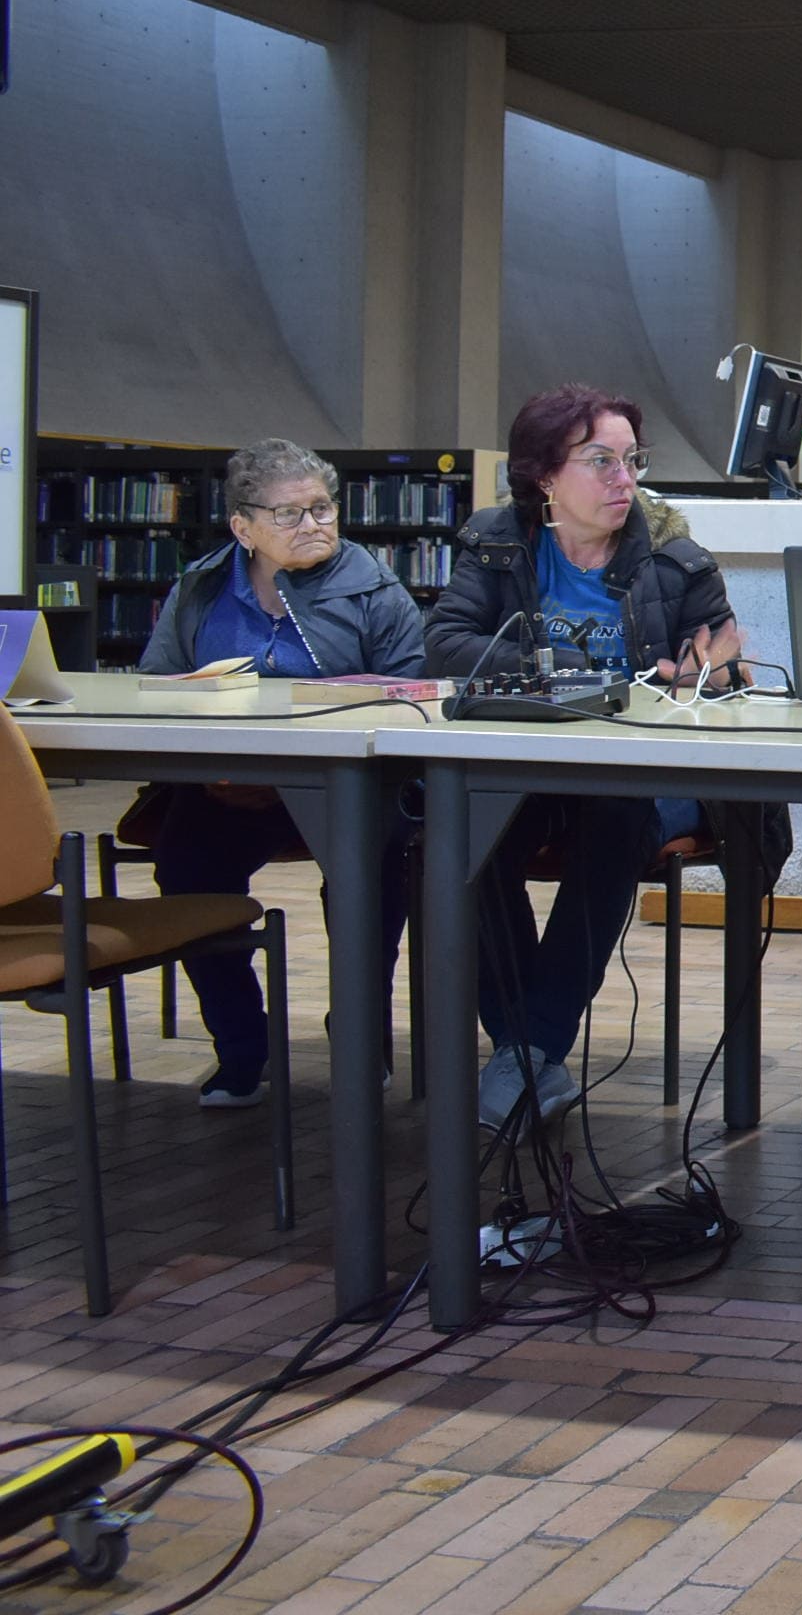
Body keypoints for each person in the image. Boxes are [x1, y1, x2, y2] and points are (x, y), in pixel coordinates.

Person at [427, 386, 744, 1131]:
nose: (623, 479)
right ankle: (528, 1051)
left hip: (640, 777)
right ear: (543, 475)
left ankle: (528, 1047)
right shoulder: (496, 540)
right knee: (466, 823)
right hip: (528, 768)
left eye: (632, 460)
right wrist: (564, 665)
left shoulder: (678, 559)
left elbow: (727, 678)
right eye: (600, 461)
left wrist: (713, 678)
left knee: (617, 815)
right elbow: (444, 641)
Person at [135, 439, 425, 1107]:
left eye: (323, 507)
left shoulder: (377, 590)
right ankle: (241, 1045)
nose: (315, 525)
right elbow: (154, 684)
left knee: (371, 867)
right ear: (244, 527)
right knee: (184, 865)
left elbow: (412, 690)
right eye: (290, 514)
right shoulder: (202, 587)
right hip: (228, 783)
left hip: (345, 784)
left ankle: (360, 1036)